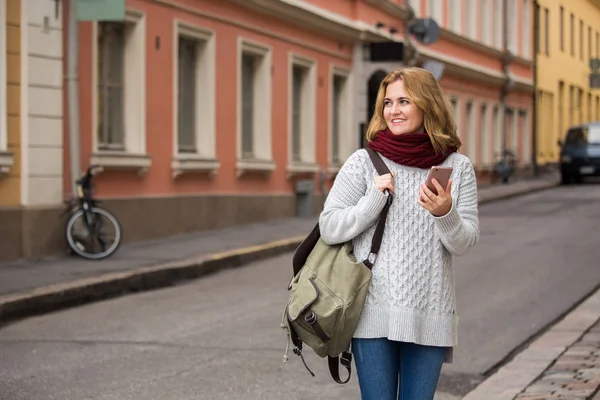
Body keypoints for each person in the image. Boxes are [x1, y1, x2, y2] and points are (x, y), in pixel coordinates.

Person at [318, 67, 480, 400]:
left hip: (431, 313)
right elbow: (329, 227)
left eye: (404, 101)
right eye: (388, 102)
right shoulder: (364, 162)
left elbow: (465, 243)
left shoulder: (457, 167)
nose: (393, 110)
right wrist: (372, 202)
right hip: (372, 313)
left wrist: (444, 213)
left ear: (427, 105)